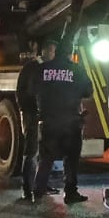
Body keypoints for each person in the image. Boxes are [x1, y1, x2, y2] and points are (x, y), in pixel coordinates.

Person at [29, 36, 92, 204]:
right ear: (70, 53)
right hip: (71, 122)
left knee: (46, 158)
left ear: (56, 52)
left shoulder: (42, 69)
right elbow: (88, 91)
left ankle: (38, 191)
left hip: (49, 121)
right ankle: (70, 193)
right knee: (71, 159)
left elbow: (32, 90)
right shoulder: (76, 70)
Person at [13, 42, 44, 202]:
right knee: (32, 151)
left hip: (38, 114)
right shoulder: (33, 68)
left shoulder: (40, 68)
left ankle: (39, 185)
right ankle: (27, 188)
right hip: (32, 114)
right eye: (50, 50)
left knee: (42, 152)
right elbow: (29, 93)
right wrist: (34, 111)